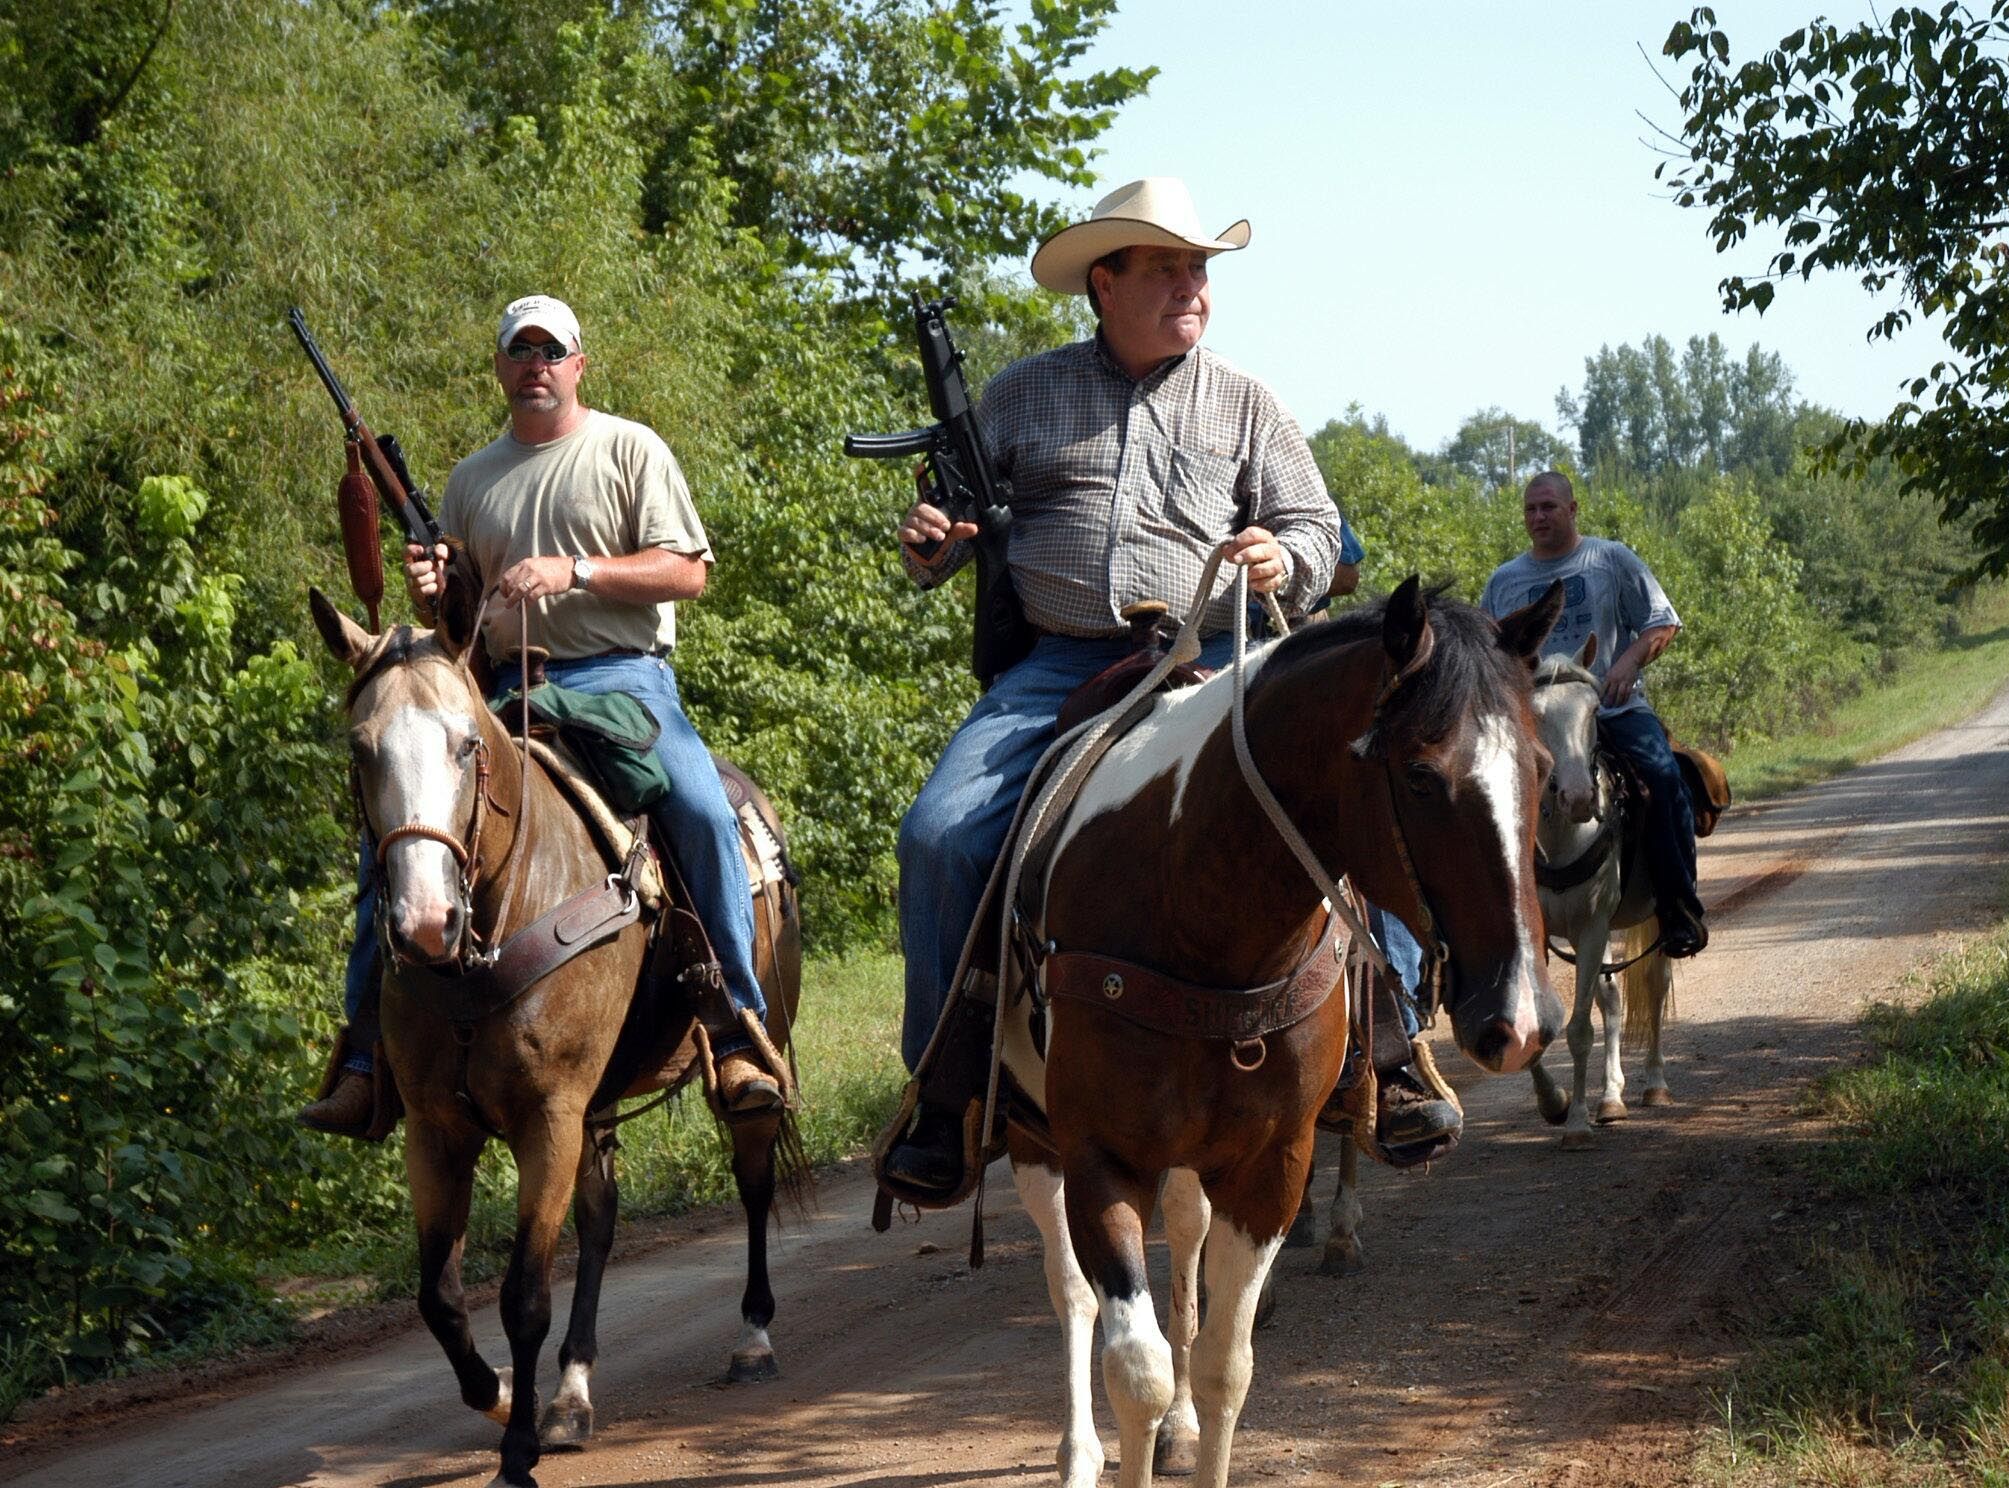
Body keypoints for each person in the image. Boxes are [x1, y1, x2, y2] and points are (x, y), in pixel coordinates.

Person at [879, 178, 1459, 1199]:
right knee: (937, 833)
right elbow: (944, 530)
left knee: (1365, 798)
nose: (1193, 287)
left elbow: (1317, 530)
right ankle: (946, 1087)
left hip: (1221, 656)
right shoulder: (1023, 393)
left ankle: (1392, 1047)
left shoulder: (1245, 401)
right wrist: (929, 545)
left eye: (1199, 269)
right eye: (1167, 269)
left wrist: (1284, 557)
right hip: (1059, 662)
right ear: (1104, 283)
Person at [299, 294, 786, 1136]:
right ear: (500, 368)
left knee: (703, 812)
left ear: (577, 364)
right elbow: (459, 606)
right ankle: (367, 1057)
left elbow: (686, 574)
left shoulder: (629, 449)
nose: (536, 366)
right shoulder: (471, 478)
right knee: (398, 842)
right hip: (497, 692)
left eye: (550, 352)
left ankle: (736, 1028)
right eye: (520, 352)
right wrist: (434, 588)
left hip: (622, 680)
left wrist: (576, 573)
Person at [1481, 471, 1707, 957]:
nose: (1539, 517)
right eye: (1530, 509)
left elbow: (1662, 622)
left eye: (1548, 506)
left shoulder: (1609, 559)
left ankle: (1678, 906)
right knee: (1472, 795)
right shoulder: (1505, 581)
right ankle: (1481, 935)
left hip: (1612, 709)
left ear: (1572, 509)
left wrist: (1627, 662)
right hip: (1535, 723)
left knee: (1665, 778)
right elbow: (1488, 659)